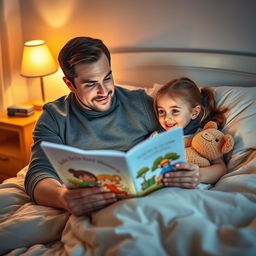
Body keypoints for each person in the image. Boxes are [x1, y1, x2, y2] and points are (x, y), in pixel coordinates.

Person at [24, 37, 202, 217]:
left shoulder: (140, 104)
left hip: (151, 202)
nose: (104, 91)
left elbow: (187, 137)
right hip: (96, 208)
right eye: (91, 84)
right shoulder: (54, 118)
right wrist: (61, 197)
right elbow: (38, 176)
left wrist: (196, 173)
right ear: (70, 84)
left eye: (107, 78)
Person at [153, 77, 228, 188]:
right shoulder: (156, 137)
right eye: (162, 111)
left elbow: (221, 168)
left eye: (175, 111)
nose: (166, 118)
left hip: (192, 190)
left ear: (194, 112)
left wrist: (200, 175)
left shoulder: (202, 136)